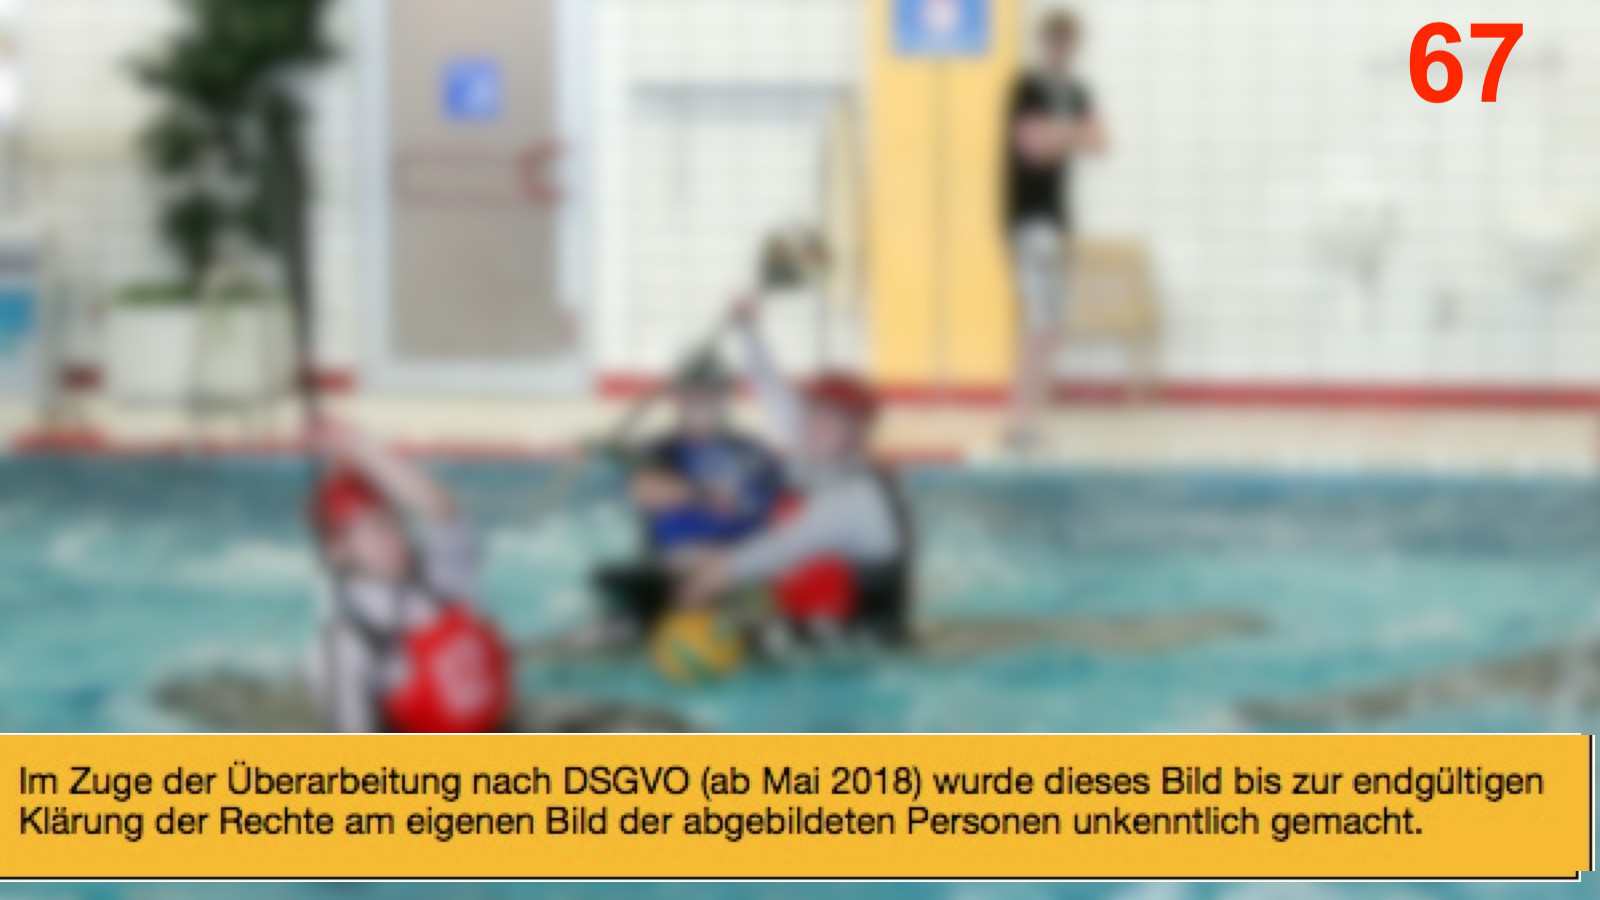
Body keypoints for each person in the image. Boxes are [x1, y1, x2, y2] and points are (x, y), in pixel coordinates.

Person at [674, 295, 915, 647]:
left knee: (728, 626)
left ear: (858, 434)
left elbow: (784, 546)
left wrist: (719, 572)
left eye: (833, 419)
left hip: (863, 644)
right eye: (814, 411)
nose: (817, 424)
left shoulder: (856, 497)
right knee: (719, 594)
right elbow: (771, 388)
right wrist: (749, 328)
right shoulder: (814, 446)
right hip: (813, 616)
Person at [307, 422, 511, 733]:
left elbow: (442, 511)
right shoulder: (343, 645)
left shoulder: (439, 577)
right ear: (338, 551)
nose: (394, 537)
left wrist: (361, 447)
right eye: (376, 529)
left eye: (395, 521)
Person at [591, 353, 786, 640]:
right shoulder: (660, 449)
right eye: (690, 393)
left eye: (707, 393)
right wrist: (703, 494)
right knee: (609, 580)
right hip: (674, 565)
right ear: (677, 399)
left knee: (758, 604)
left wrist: (728, 558)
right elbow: (643, 492)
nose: (698, 401)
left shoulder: (752, 451)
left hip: (736, 565)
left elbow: (767, 510)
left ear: (723, 397)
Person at [1004, 8, 1108, 451]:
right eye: (1054, 42)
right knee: (1044, 322)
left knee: (1052, 324)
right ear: (1042, 44)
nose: (1060, 50)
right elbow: (1032, 150)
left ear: (1075, 46)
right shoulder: (1026, 88)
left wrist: (1056, 134)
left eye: (1067, 43)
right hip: (1028, 219)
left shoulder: (1077, 90)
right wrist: (1071, 134)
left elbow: (1100, 142)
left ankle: (1026, 420)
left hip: (1057, 219)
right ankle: (1020, 422)